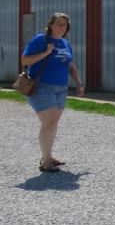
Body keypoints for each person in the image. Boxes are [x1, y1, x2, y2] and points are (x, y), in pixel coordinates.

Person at [21, 12, 84, 173]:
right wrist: (46, 53)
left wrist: (78, 83)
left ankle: (47, 156)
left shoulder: (65, 44)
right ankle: (46, 161)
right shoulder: (40, 40)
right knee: (49, 122)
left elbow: (71, 66)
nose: (61, 27)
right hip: (42, 87)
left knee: (53, 123)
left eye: (65, 25)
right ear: (50, 25)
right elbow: (25, 60)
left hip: (61, 89)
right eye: (58, 24)